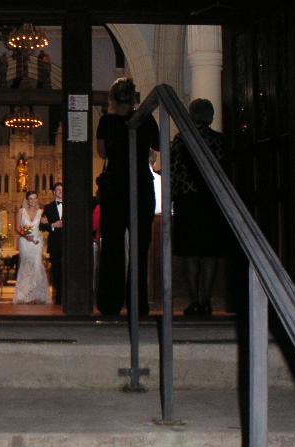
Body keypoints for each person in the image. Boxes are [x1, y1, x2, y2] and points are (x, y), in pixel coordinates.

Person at [95, 77, 160, 317]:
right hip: (141, 184)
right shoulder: (145, 119)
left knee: (112, 246)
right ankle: (138, 303)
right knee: (140, 248)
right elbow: (157, 146)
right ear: (133, 98)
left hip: (114, 186)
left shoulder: (106, 122)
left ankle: (110, 302)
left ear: (112, 99)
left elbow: (102, 152)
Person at [170, 98, 229, 317]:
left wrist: (172, 197)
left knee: (190, 253)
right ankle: (206, 300)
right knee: (209, 253)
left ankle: (194, 300)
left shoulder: (181, 140)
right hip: (211, 202)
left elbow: (173, 172)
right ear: (210, 117)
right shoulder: (219, 141)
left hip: (187, 202)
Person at [13, 191, 52, 305]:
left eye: (35, 198)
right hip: (25, 242)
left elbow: (45, 226)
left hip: (37, 242)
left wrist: (46, 222)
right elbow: (17, 227)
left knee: (37, 265)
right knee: (26, 266)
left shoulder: (42, 212)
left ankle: (37, 294)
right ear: (27, 200)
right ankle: (25, 295)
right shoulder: (21, 211)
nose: (33, 201)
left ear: (37, 199)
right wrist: (26, 236)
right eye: (31, 198)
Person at [40, 182, 64, 306]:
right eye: (58, 190)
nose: (61, 191)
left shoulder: (72, 205)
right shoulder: (48, 207)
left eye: (62, 189)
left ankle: (68, 296)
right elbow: (42, 226)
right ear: (54, 192)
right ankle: (58, 297)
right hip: (55, 244)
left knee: (68, 270)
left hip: (69, 244)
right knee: (56, 271)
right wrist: (53, 225)